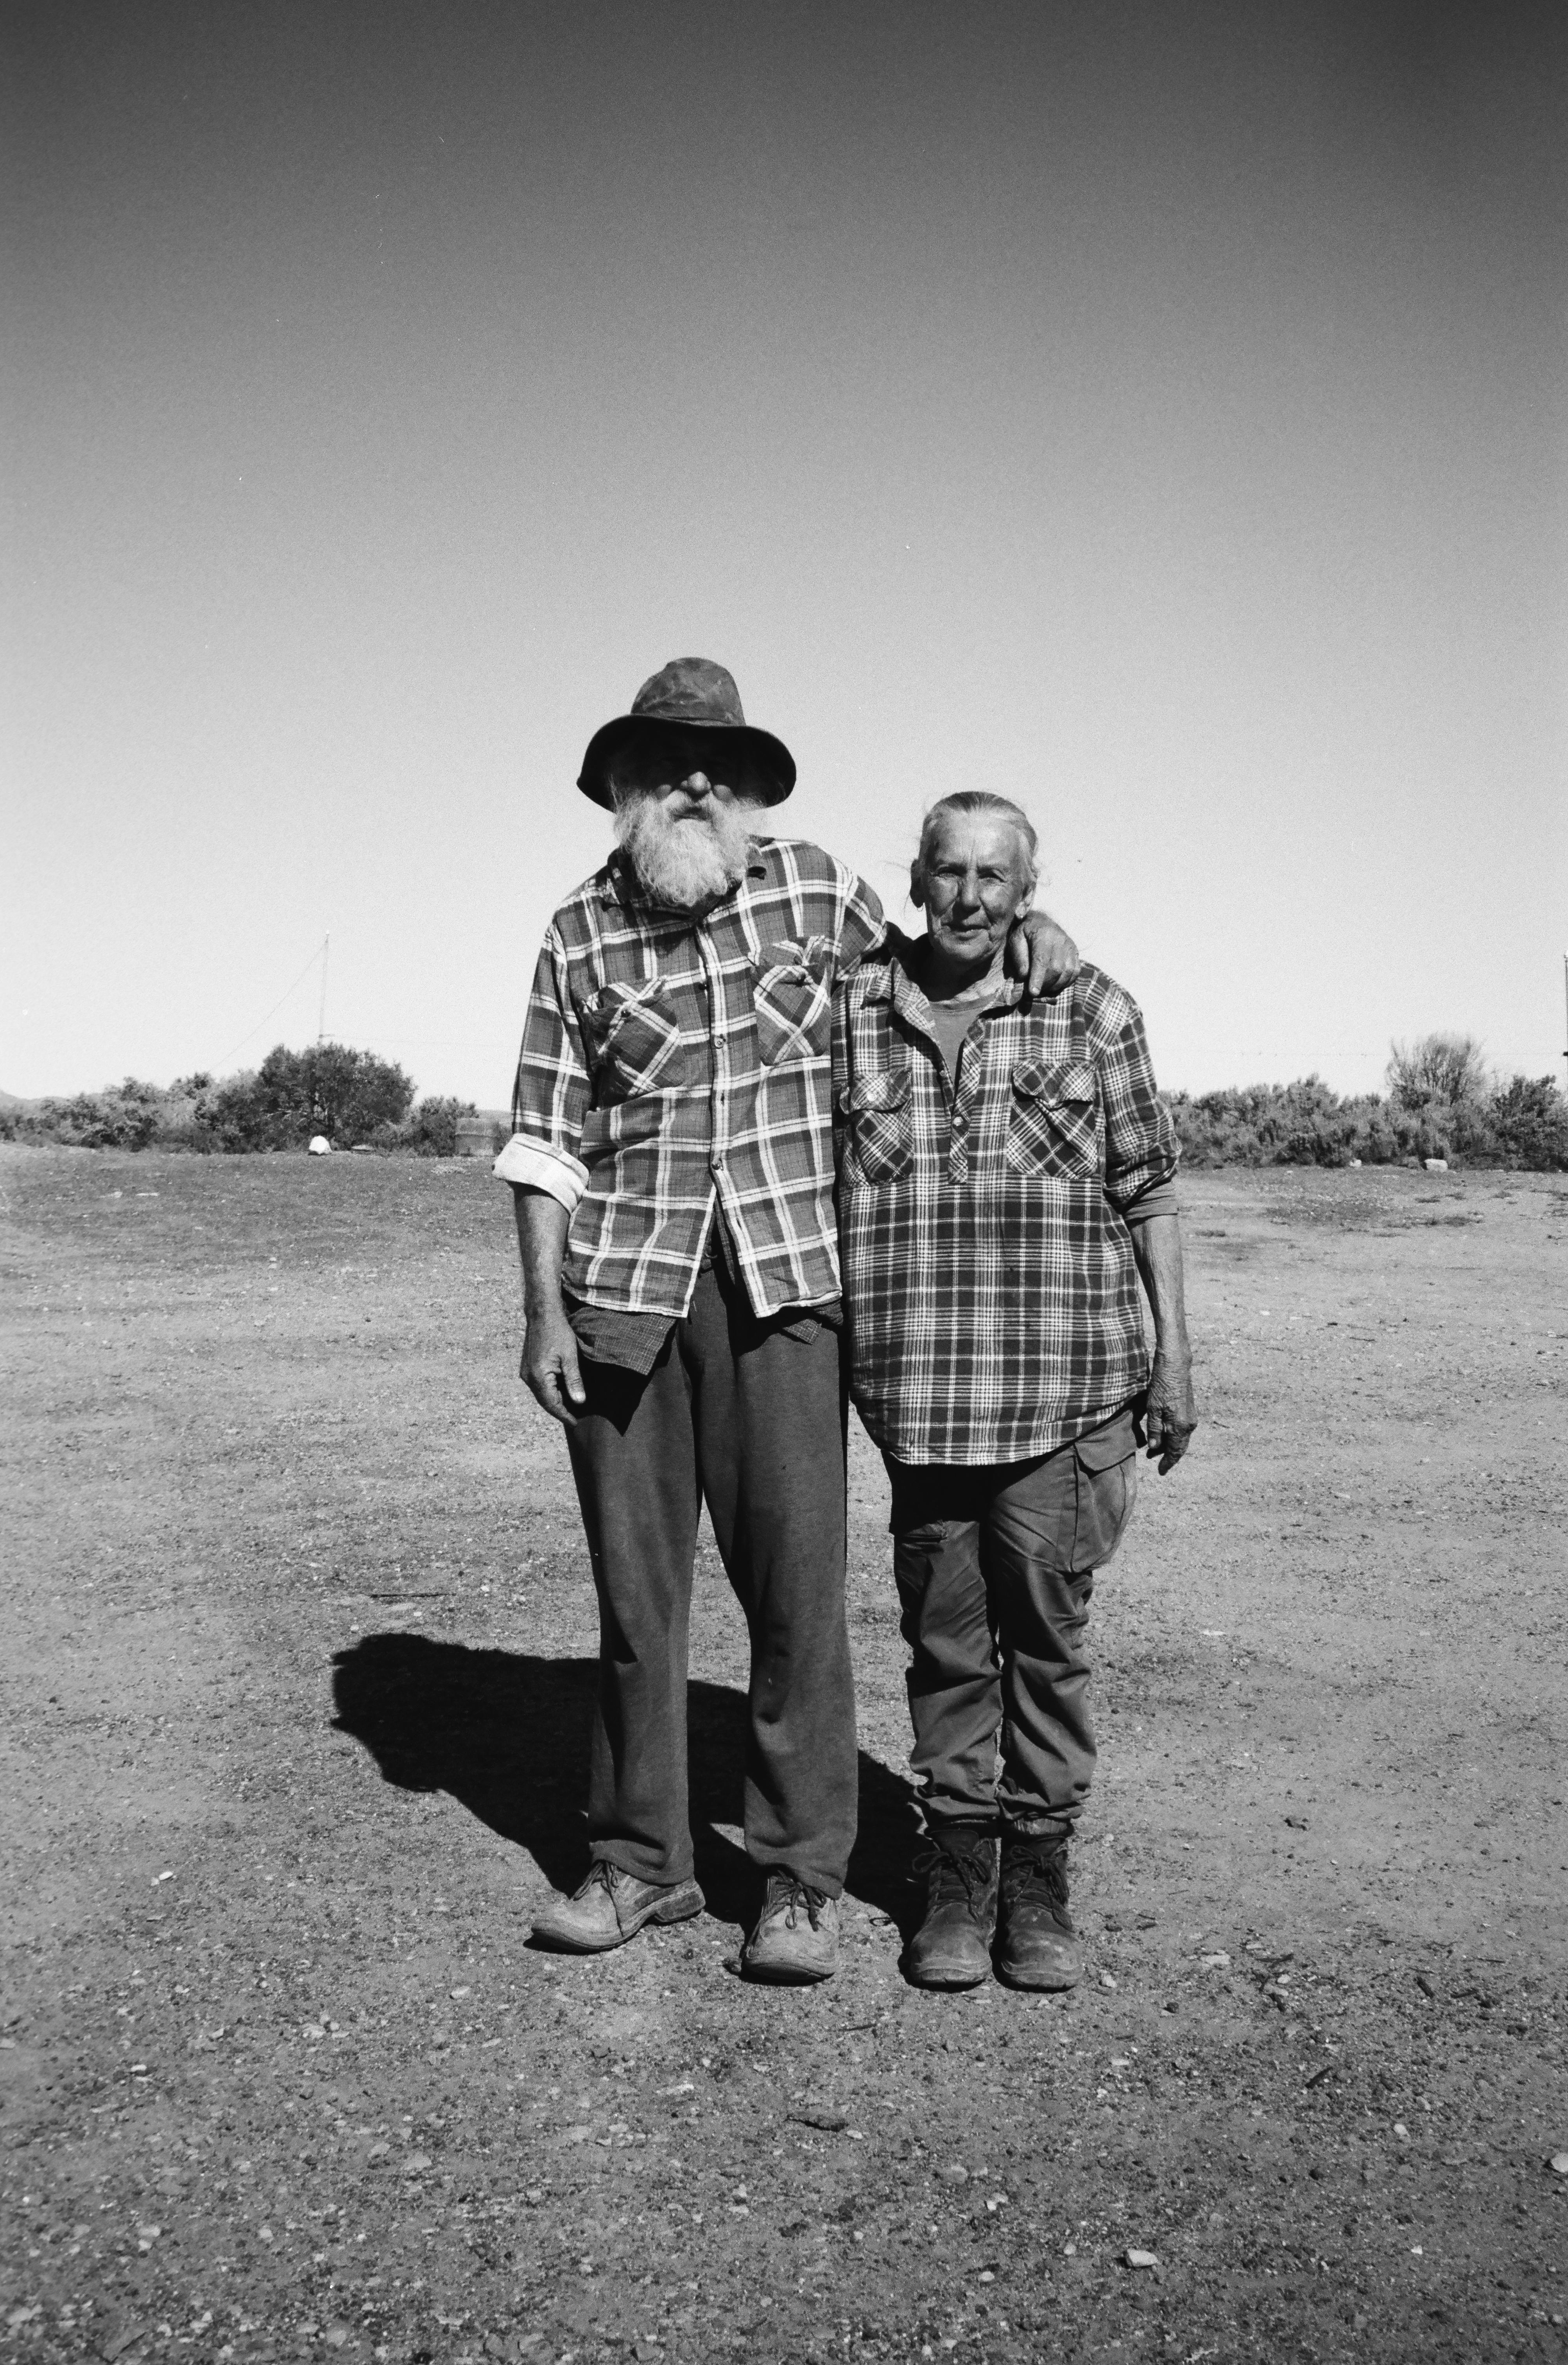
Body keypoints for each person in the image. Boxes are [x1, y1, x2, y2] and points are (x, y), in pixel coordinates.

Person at [498, 661, 1078, 1984]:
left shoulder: (817, 889)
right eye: (666, 762)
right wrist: (541, 1314)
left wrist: (1047, 933)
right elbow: (541, 1138)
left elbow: (936, 964)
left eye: (722, 765)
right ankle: (638, 1863)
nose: (696, 784)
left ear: (755, 789)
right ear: (626, 786)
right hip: (622, 1303)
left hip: (787, 1293)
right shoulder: (575, 931)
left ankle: (801, 1879)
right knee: (636, 1605)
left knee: (796, 1599)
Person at [832, 788, 1197, 1991]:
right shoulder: (850, 1013)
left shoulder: (1090, 1010)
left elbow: (1149, 1189)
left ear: (1027, 894)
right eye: (950, 872)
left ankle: (1036, 1888)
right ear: (917, 877)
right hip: (920, 1405)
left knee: (1045, 1645)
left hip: (1067, 1395)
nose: (971, 898)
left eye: (997, 878)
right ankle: (954, 1885)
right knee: (945, 1652)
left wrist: (1174, 1358)